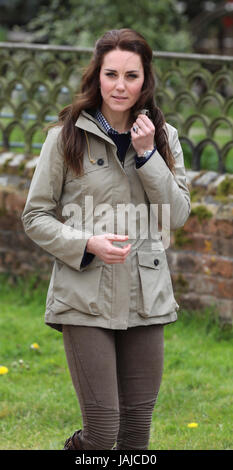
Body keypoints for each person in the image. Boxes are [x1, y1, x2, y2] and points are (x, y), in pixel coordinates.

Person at [21, 28, 191, 450]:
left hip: (146, 296)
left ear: (145, 79)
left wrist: (149, 155)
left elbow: (179, 214)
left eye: (131, 76)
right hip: (84, 295)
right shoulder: (64, 138)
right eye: (111, 74)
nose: (120, 86)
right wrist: (85, 243)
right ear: (97, 76)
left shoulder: (164, 139)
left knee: (136, 436)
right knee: (100, 434)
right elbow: (35, 216)